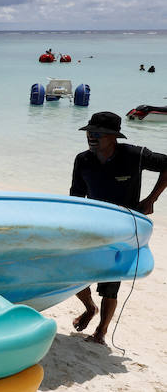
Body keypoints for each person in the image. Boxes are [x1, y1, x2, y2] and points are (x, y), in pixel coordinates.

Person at [69, 111, 167, 344]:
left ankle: (101, 332)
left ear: (113, 137)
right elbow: (75, 195)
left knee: (110, 286)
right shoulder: (83, 160)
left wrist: (151, 199)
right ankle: (89, 308)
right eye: (90, 133)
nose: (92, 137)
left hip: (124, 229)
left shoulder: (134, 155)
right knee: (73, 276)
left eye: (98, 134)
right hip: (92, 227)